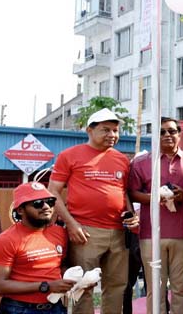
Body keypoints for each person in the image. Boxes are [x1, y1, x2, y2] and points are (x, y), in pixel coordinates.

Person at [47, 108, 139, 314]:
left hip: (118, 232)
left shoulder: (122, 159)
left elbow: (123, 193)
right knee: (83, 286)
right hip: (84, 231)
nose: (112, 135)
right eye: (106, 130)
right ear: (89, 130)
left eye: (115, 131)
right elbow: (52, 192)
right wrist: (71, 224)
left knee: (117, 286)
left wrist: (131, 215)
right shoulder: (69, 155)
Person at [127, 117, 183, 314]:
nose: (167, 135)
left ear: (179, 135)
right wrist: (154, 197)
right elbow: (131, 192)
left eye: (171, 131)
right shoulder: (141, 163)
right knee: (155, 290)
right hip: (151, 235)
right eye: (161, 132)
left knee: (181, 289)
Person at [0, 182, 75, 314]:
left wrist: (77, 281)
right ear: (20, 210)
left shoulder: (60, 233)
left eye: (50, 202)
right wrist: (45, 286)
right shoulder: (6, 240)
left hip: (55, 307)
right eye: (38, 203)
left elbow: (61, 266)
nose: (46, 207)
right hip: (18, 309)